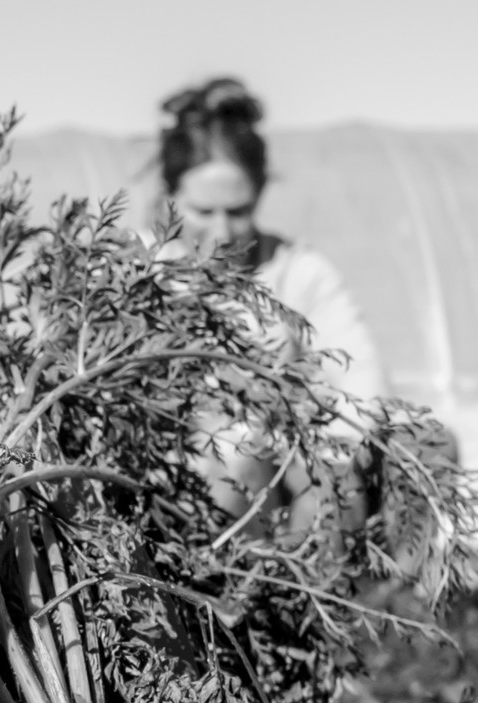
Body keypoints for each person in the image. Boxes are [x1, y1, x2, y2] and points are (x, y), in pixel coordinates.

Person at [154, 78, 389, 532]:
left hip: (295, 461)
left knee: (335, 488)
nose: (222, 231)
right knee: (232, 472)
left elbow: (362, 387)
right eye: (203, 211)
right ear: (171, 196)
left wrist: (318, 452)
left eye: (238, 210)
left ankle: (341, 596)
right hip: (183, 479)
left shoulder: (301, 272)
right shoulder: (139, 274)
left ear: (259, 193)